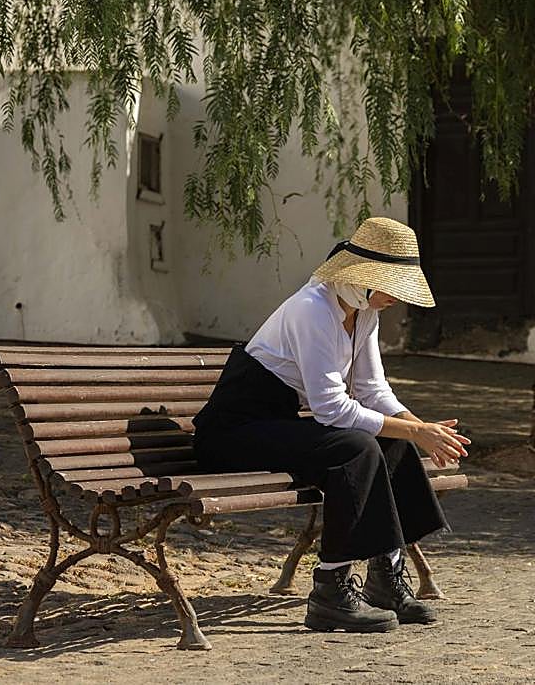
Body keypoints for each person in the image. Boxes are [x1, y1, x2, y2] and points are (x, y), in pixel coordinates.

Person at [192, 216, 471, 633]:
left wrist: (422, 428)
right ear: (365, 278)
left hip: (276, 424)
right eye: (393, 284)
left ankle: (385, 577)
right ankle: (330, 592)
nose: (398, 297)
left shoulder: (363, 311)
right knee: (357, 448)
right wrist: (417, 431)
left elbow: (373, 391)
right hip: (233, 432)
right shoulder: (312, 310)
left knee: (393, 443)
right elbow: (333, 411)